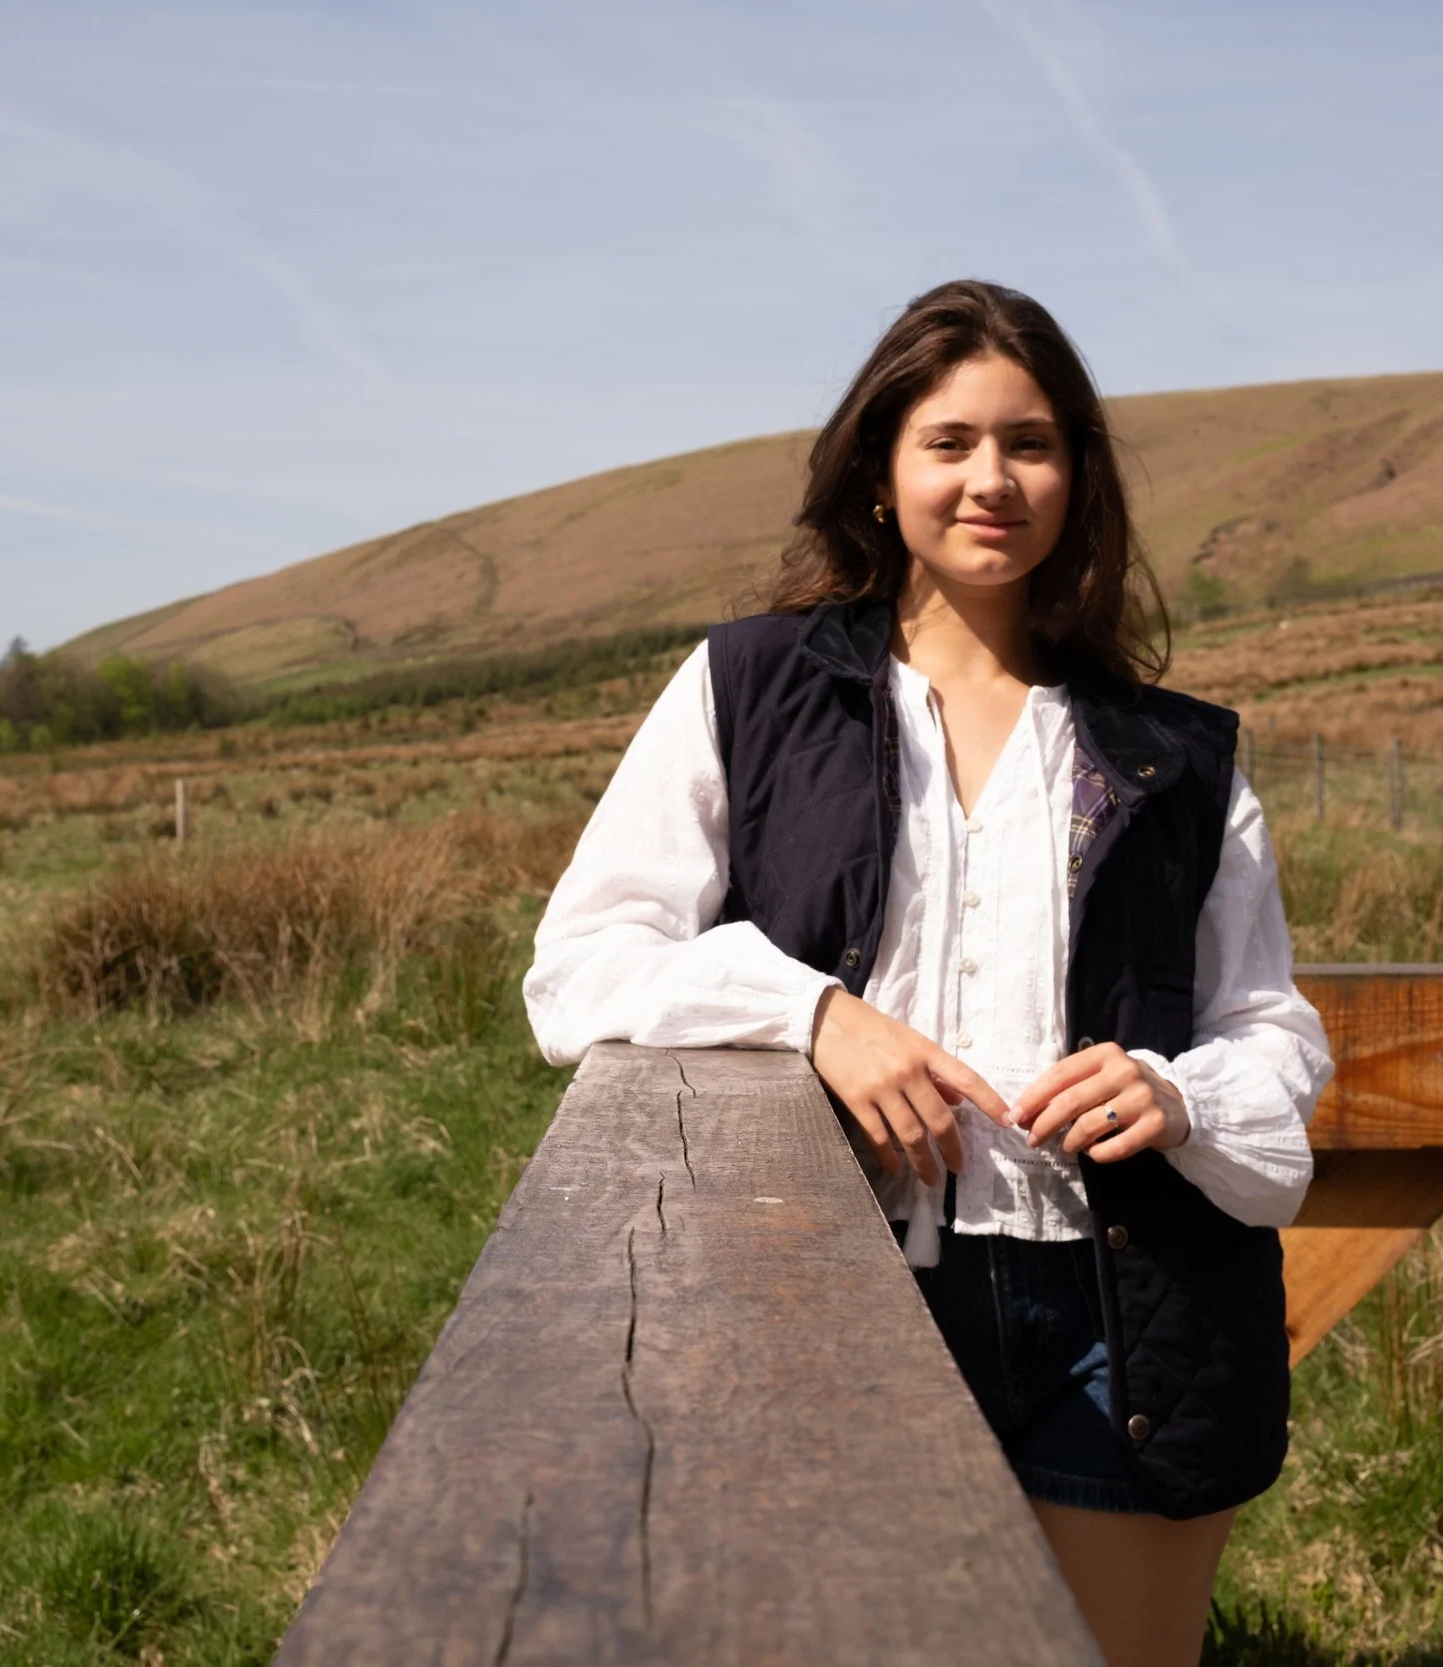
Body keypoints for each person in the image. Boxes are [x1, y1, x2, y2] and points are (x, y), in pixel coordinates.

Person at [522, 279, 1332, 1667]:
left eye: (1031, 442)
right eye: (949, 441)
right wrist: (813, 1014)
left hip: (1126, 1310)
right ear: (881, 476)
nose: (992, 478)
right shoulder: (752, 687)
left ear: (1078, 478)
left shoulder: (1175, 752)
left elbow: (1267, 1026)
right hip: (838, 1286)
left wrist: (1176, 1094)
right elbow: (581, 964)